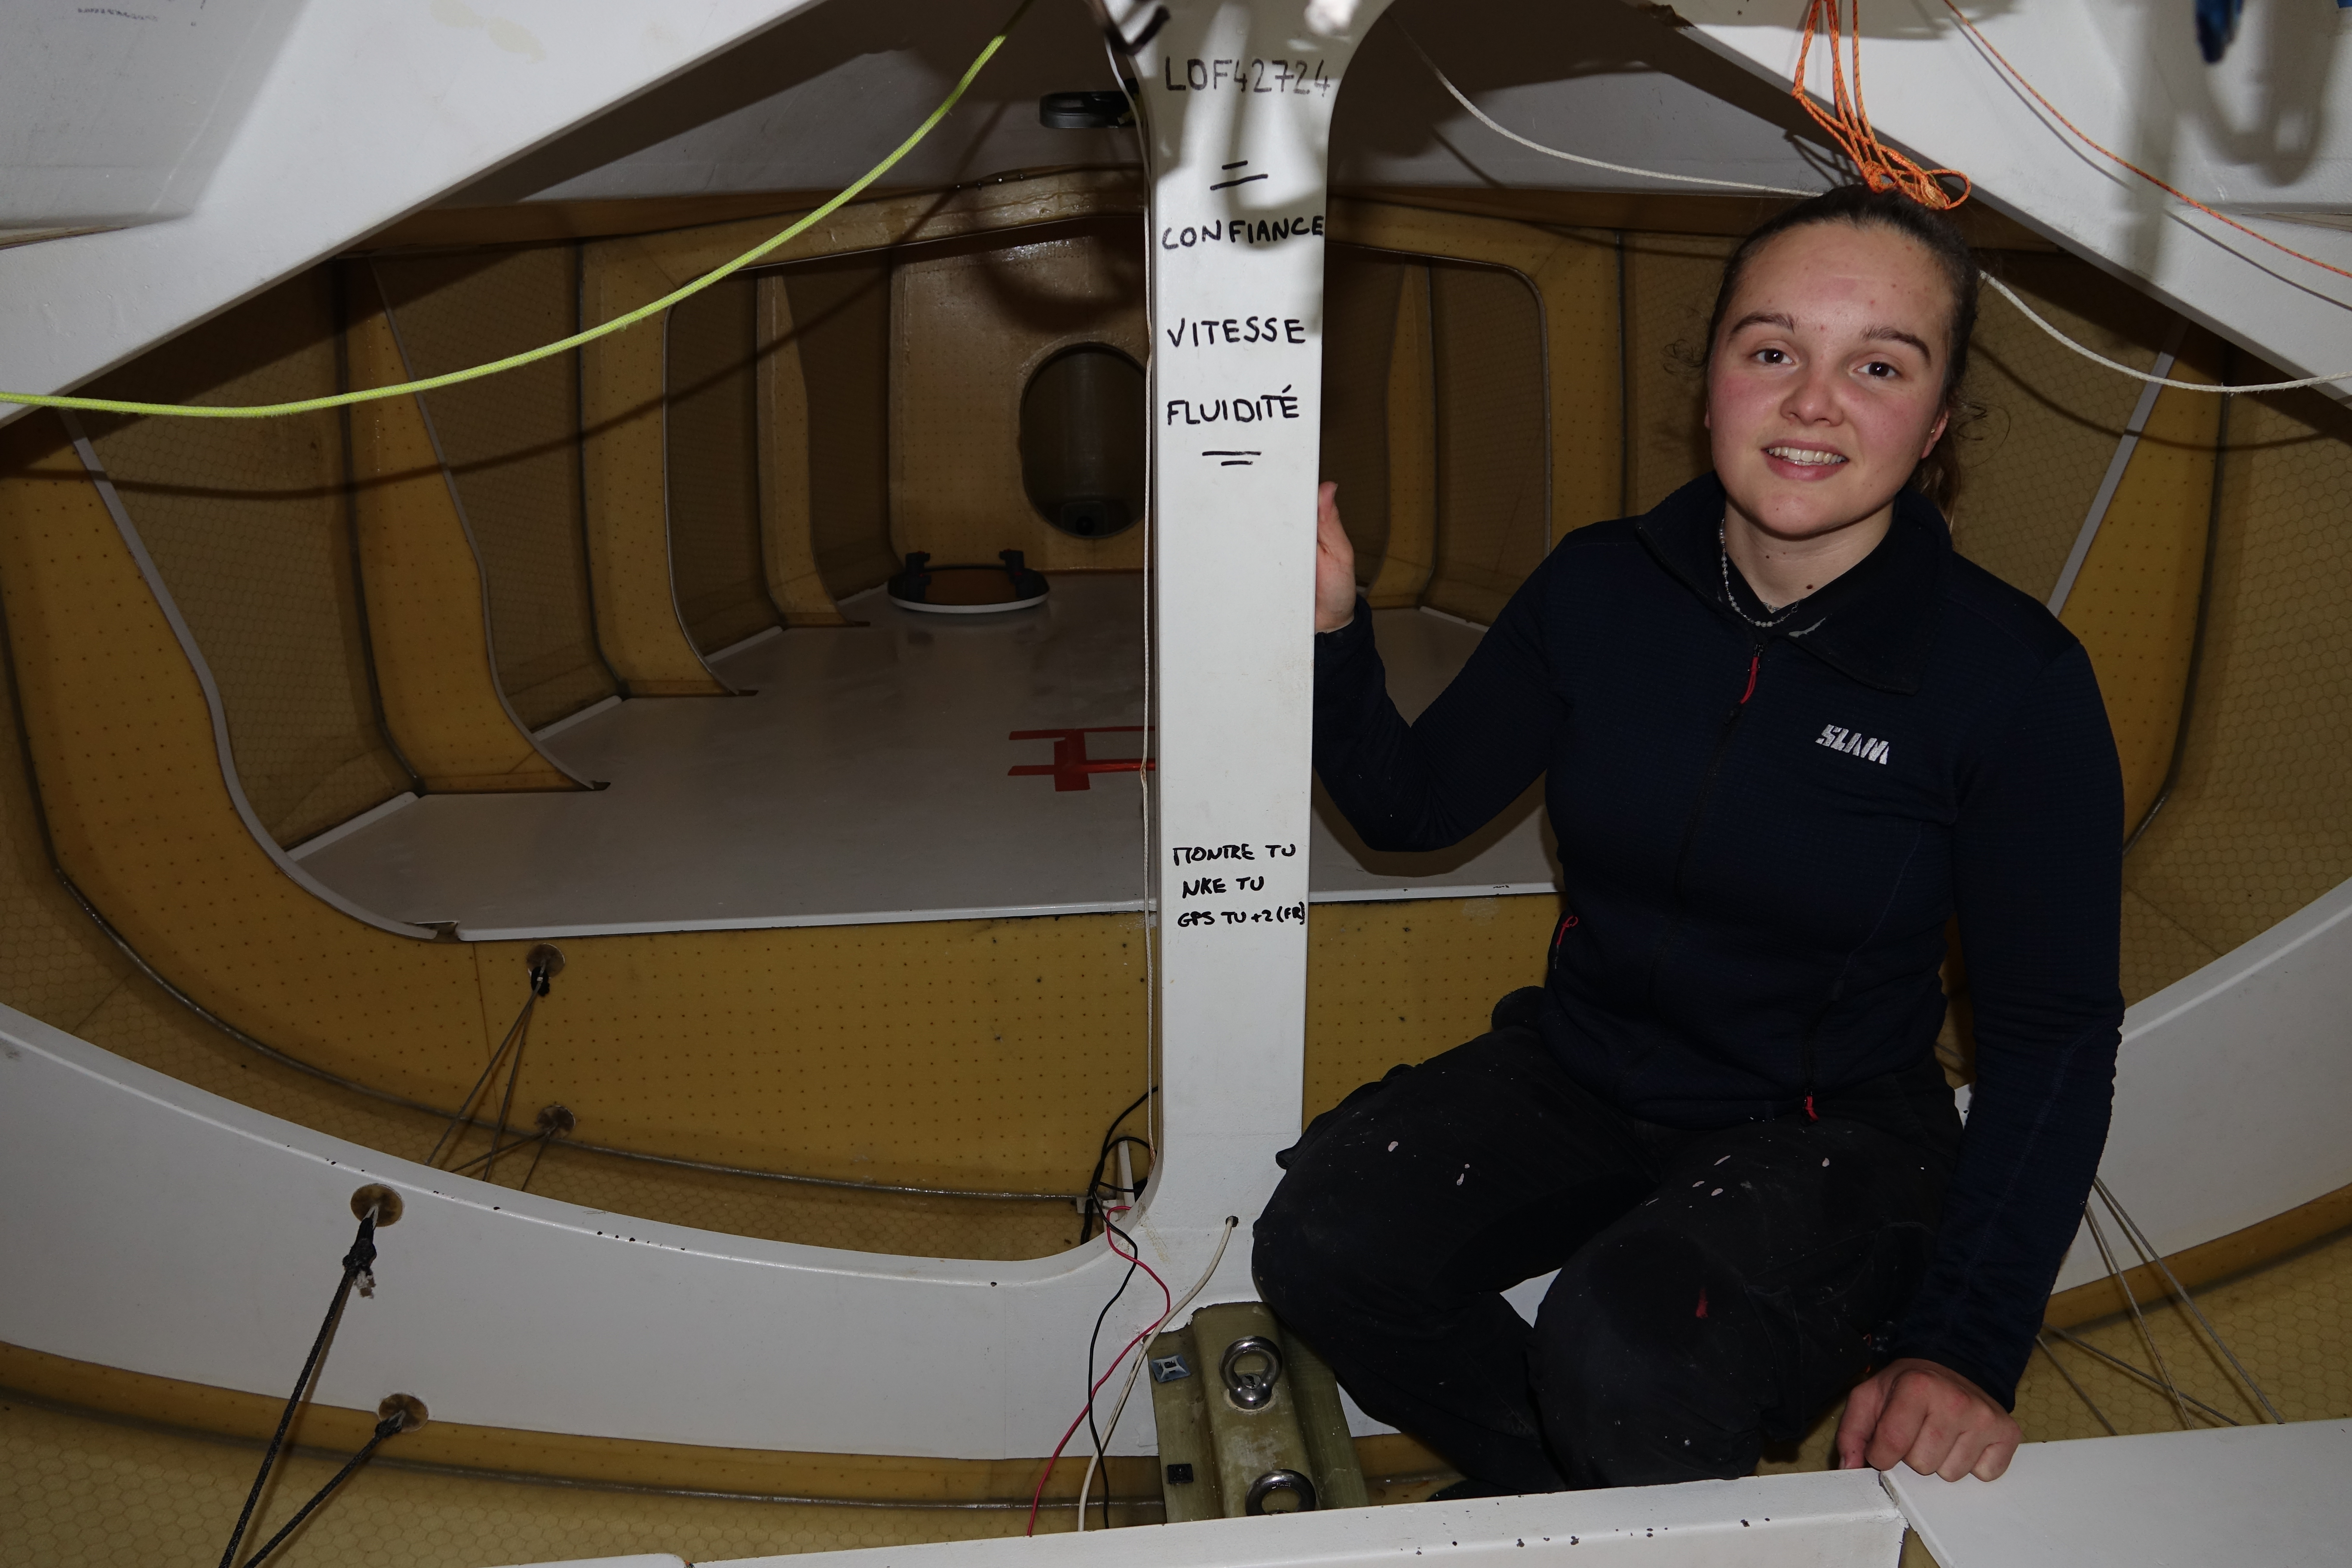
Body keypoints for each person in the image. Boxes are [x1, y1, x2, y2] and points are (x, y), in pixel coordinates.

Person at [1254, 186, 2123, 1494]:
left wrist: (1965, 1346)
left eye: (1877, 366)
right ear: (1711, 375)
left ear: (1937, 424)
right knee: (1324, 1239)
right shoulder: (1602, 588)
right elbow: (1409, 807)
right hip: (1584, 1068)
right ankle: (1570, 1489)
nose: (1813, 401)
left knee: (1629, 1350)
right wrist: (1329, 628)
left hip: (1831, 1133)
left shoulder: (2012, 683)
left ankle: (1619, 1472)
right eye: (1772, 350)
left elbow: (2053, 1041)